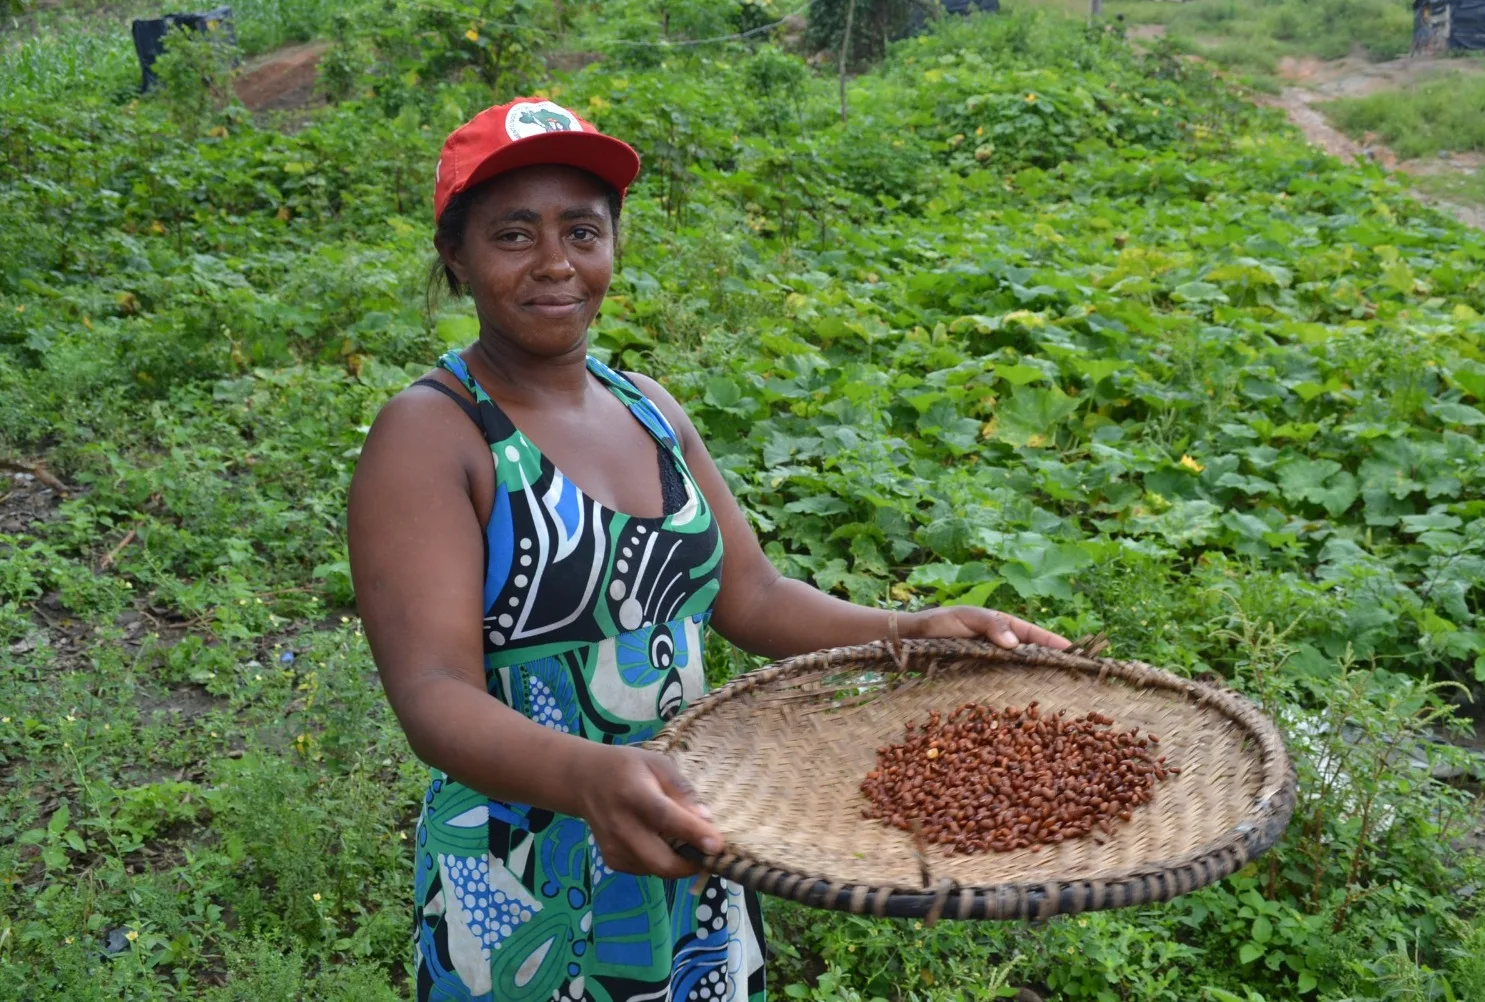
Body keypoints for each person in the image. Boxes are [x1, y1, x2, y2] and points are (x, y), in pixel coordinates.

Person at [347, 97, 1076, 1002]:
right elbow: (432, 695)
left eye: (583, 231)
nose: (556, 264)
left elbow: (755, 597)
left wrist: (913, 628)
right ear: (455, 255)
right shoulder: (433, 435)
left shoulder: (648, 406)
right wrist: (591, 776)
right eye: (512, 235)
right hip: (525, 869)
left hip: (688, 836)